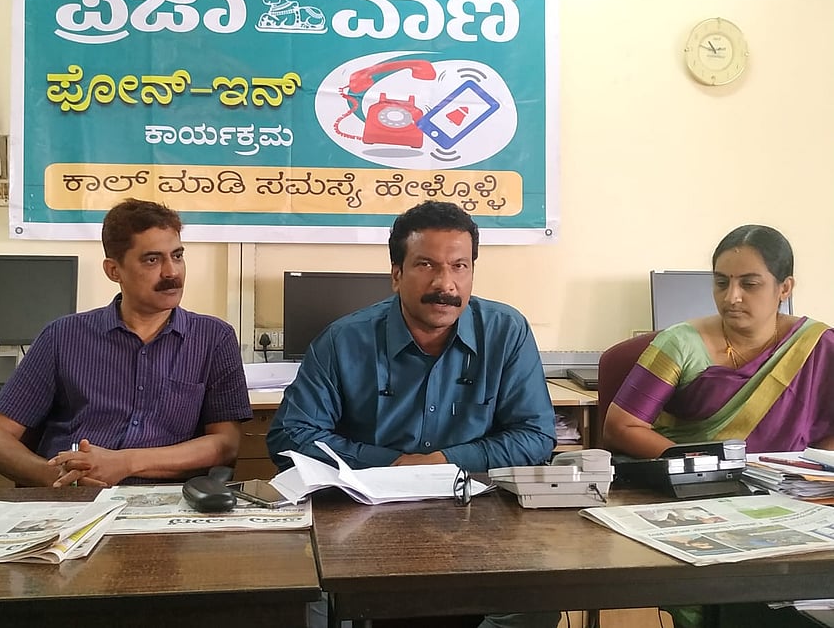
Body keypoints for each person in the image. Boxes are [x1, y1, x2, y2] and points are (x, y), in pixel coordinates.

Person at [267, 200, 558, 628]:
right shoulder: (344, 340)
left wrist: (440, 462)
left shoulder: (506, 331)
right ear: (396, 274)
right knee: (310, 601)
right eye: (426, 265)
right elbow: (290, 436)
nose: (446, 284)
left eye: (459, 266)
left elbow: (536, 436)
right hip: (366, 523)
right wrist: (394, 464)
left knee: (538, 601)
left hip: (479, 522)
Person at [602, 224, 834, 628]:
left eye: (749, 284)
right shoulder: (681, 342)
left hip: (791, 498)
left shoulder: (818, 345)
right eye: (722, 282)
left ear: (785, 287)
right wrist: (705, 465)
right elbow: (621, 426)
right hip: (698, 493)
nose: (732, 297)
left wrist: (809, 480)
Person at [0, 198, 252, 487]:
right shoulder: (62, 336)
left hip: (161, 500)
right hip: (69, 498)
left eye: (177, 256)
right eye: (152, 260)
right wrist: (58, 478)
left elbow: (225, 445)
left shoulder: (213, 337)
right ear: (113, 270)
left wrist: (125, 462)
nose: (171, 272)